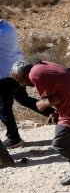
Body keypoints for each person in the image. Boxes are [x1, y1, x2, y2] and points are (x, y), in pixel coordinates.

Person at [11, 60, 70, 185]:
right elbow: (60, 91)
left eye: (19, 80)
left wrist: (41, 104)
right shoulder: (42, 65)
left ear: (24, 74)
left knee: (60, 144)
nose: (21, 84)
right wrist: (55, 112)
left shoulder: (35, 74)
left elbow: (55, 98)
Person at [0, 19, 54, 149]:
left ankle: (14, 138)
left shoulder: (1, 32)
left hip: (5, 75)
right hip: (17, 70)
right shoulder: (7, 25)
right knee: (23, 99)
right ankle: (55, 114)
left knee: (3, 108)